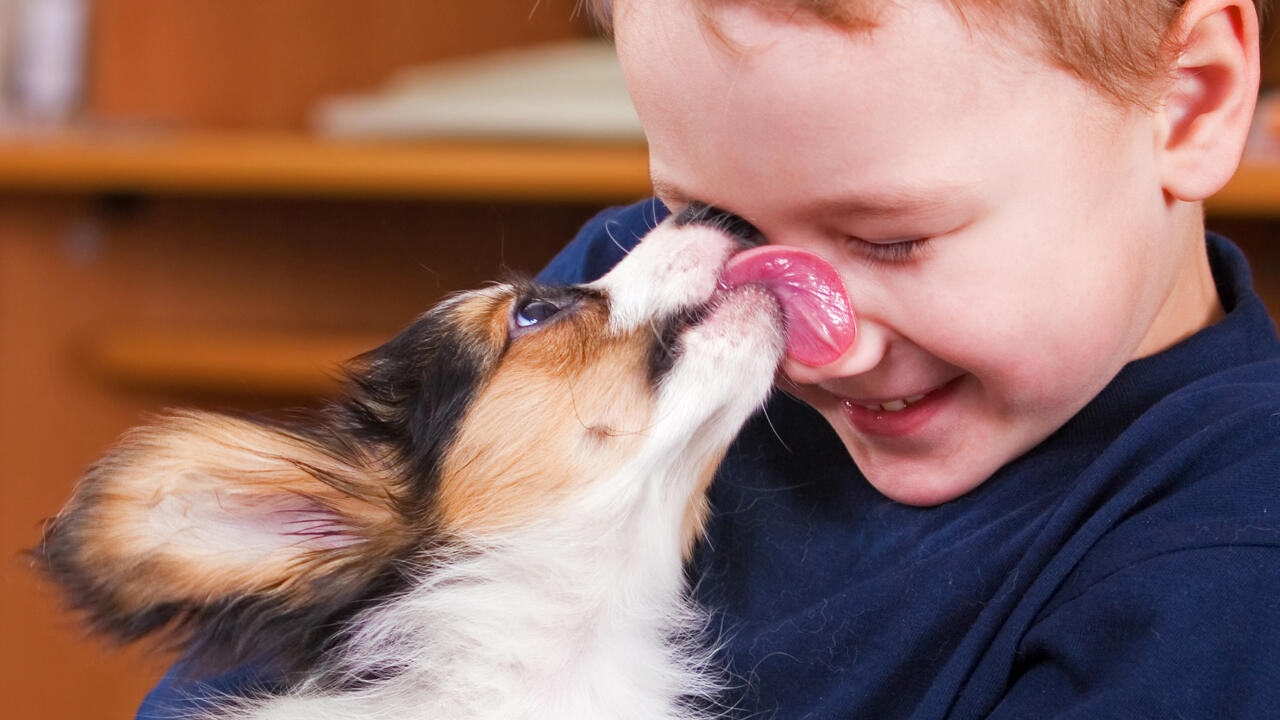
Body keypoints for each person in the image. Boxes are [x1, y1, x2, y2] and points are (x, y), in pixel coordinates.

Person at [140, 0, 1280, 717]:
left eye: (890, 239)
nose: (800, 318)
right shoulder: (656, 310)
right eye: (714, 215)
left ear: (1186, 105)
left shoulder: (1228, 563)